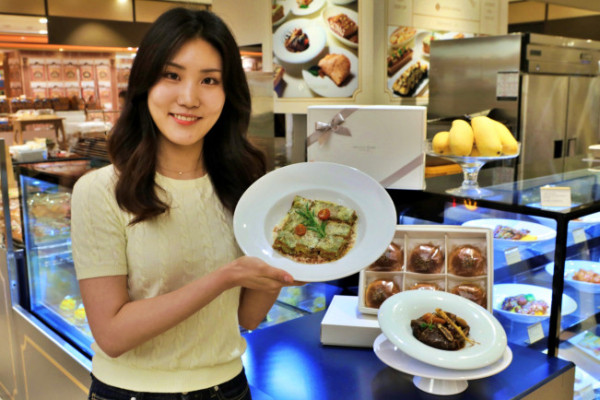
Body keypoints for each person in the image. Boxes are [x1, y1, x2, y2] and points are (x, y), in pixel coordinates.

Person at [71, 8, 298, 399]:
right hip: (132, 392)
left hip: (229, 387)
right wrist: (225, 277)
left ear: (228, 94)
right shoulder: (101, 190)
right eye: (172, 75)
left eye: (209, 80)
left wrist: (288, 266)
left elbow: (247, 316)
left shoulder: (243, 185)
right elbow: (112, 334)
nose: (189, 98)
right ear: (145, 84)